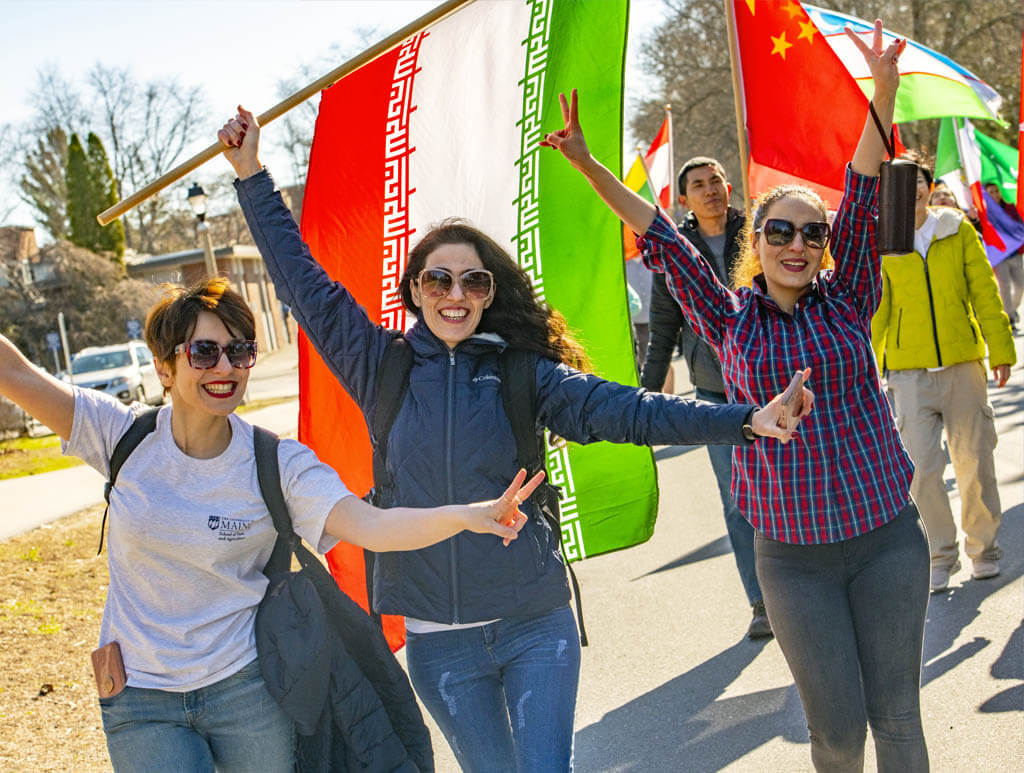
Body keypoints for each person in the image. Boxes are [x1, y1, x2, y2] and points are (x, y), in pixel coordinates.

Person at [218, 109, 812, 773]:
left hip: (534, 625)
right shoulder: (379, 365)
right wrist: (251, 176)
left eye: (474, 280)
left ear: (489, 293)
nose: (456, 293)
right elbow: (306, 285)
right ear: (415, 290)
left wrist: (742, 418)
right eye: (438, 279)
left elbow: (633, 412)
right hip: (439, 644)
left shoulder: (523, 374)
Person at [545, 21, 932, 772]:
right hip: (793, 561)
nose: (797, 244)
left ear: (824, 246)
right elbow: (657, 231)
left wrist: (881, 88)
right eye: (780, 230)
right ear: (759, 239)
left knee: (899, 719)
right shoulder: (728, 317)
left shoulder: (849, 293)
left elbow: (859, 186)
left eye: (810, 235)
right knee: (840, 733)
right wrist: (590, 164)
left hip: (886, 538)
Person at [0, 277, 546, 771]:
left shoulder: (277, 463)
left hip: (247, 692)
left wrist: (467, 516)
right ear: (164, 367)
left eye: (240, 351)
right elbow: (14, 372)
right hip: (141, 697)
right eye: (204, 351)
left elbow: (372, 526)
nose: (225, 368)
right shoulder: (120, 436)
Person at [641, 156, 770, 639]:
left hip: (770, 383)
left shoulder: (761, 229)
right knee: (738, 500)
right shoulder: (676, 249)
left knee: (794, 485)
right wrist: (644, 401)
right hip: (716, 394)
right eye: (698, 184)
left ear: (729, 185)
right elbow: (662, 330)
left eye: (716, 180)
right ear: (684, 198)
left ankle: (802, 587)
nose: (710, 189)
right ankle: (760, 601)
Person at [872, 159, 1015, 593]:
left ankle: (983, 550)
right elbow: (878, 308)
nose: (911, 188)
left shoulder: (956, 229)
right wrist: (874, 366)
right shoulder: (883, 240)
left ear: (928, 185)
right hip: (908, 372)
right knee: (921, 468)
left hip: (962, 365)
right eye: (901, 182)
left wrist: (1000, 347)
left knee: (975, 459)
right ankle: (940, 553)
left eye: (917, 180)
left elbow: (984, 292)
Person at [984, 182, 1024, 332]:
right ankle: (1010, 318)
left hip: (1015, 254)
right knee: (1004, 287)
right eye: (991, 192)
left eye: (996, 191)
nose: (995, 194)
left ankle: (1012, 310)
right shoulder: (986, 211)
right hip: (998, 256)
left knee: (1020, 286)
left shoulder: (1010, 208)